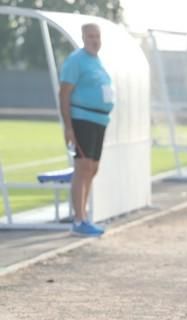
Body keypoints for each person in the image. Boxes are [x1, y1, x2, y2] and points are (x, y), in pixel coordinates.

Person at [59, 23, 114, 237]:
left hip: (99, 121)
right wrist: (69, 127)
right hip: (82, 119)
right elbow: (64, 93)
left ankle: (84, 214)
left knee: (93, 168)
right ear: (83, 38)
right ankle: (79, 219)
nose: (95, 40)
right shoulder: (76, 61)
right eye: (91, 36)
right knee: (83, 167)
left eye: (97, 36)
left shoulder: (97, 61)